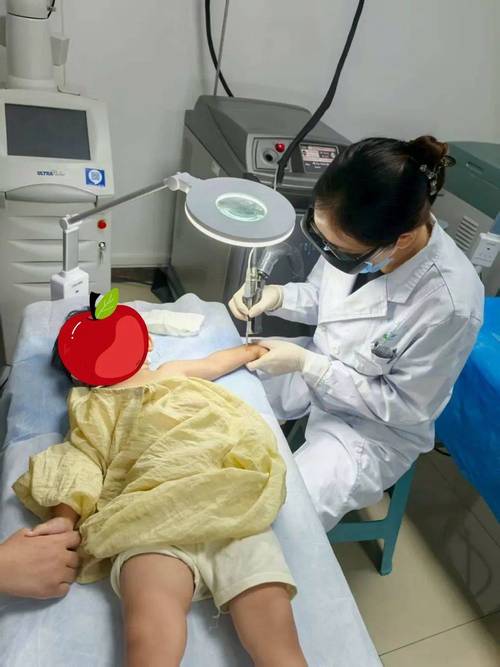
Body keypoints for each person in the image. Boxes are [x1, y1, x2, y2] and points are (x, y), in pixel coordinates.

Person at [11, 321, 306, 667]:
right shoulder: (94, 404)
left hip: (223, 494)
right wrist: (64, 518)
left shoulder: (172, 372)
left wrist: (250, 351)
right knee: (150, 634)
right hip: (152, 510)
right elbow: (81, 459)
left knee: (275, 635)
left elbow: (214, 363)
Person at [230, 135, 484, 531]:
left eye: (342, 251)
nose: (331, 255)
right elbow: (326, 298)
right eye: (324, 241)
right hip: (318, 366)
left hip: (372, 432)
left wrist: (309, 366)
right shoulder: (355, 229)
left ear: (400, 239)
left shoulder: (450, 305)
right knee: (222, 392)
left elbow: (405, 407)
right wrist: (279, 297)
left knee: (279, 519)